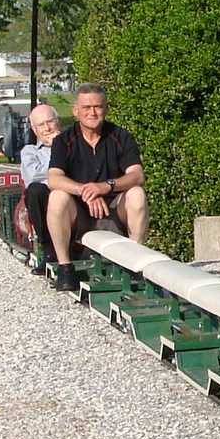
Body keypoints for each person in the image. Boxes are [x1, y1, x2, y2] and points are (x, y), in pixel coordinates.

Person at [45, 83, 148, 291]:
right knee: (56, 197)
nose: (92, 112)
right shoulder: (64, 141)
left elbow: (137, 175)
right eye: (86, 107)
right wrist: (85, 190)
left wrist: (106, 186)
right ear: (75, 110)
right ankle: (65, 267)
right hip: (80, 212)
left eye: (98, 107)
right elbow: (54, 178)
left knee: (137, 194)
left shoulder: (121, 137)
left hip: (114, 210)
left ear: (106, 109)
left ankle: (134, 265)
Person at [18, 103, 62, 273]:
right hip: (44, 200)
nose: (47, 128)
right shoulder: (30, 151)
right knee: (35, 190)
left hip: (72, 197)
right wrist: (60, 159)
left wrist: (60, 146)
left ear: (58, 121)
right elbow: (32, 176)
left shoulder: (74, 144)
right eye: (41, 125)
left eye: (50, 122)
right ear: (34, 130)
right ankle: (49, 250)